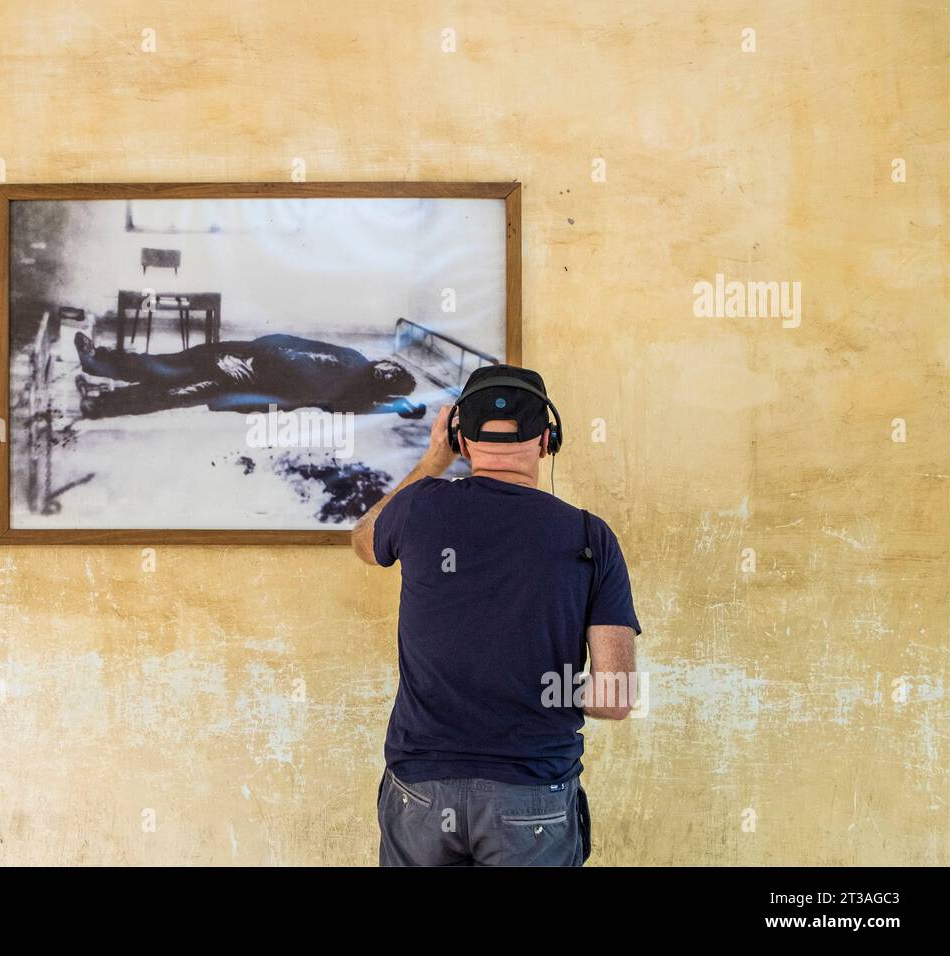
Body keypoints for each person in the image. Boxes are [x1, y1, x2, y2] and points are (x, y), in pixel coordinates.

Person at [350, 364, 642, 866]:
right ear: (549, 439)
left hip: (420, 792)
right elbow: (614, 698)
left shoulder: (419, 507)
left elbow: (364, 539)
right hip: (531, 801)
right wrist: (534, 685)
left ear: (461, 439)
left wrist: (431, 461)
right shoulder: (591, 538)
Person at [72, 320, 424, 419]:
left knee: (173, 392)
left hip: (246, 381)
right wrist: (254, 349)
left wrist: (397, 405)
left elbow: (348, 406)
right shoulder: (352, 357)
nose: (388, 370)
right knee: (167, 366)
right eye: (392, 367)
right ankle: (98, 363)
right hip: (244, 355)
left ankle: (99, 403)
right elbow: (300, 344)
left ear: (387, 388)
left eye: (394, 378)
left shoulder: (355, 397)